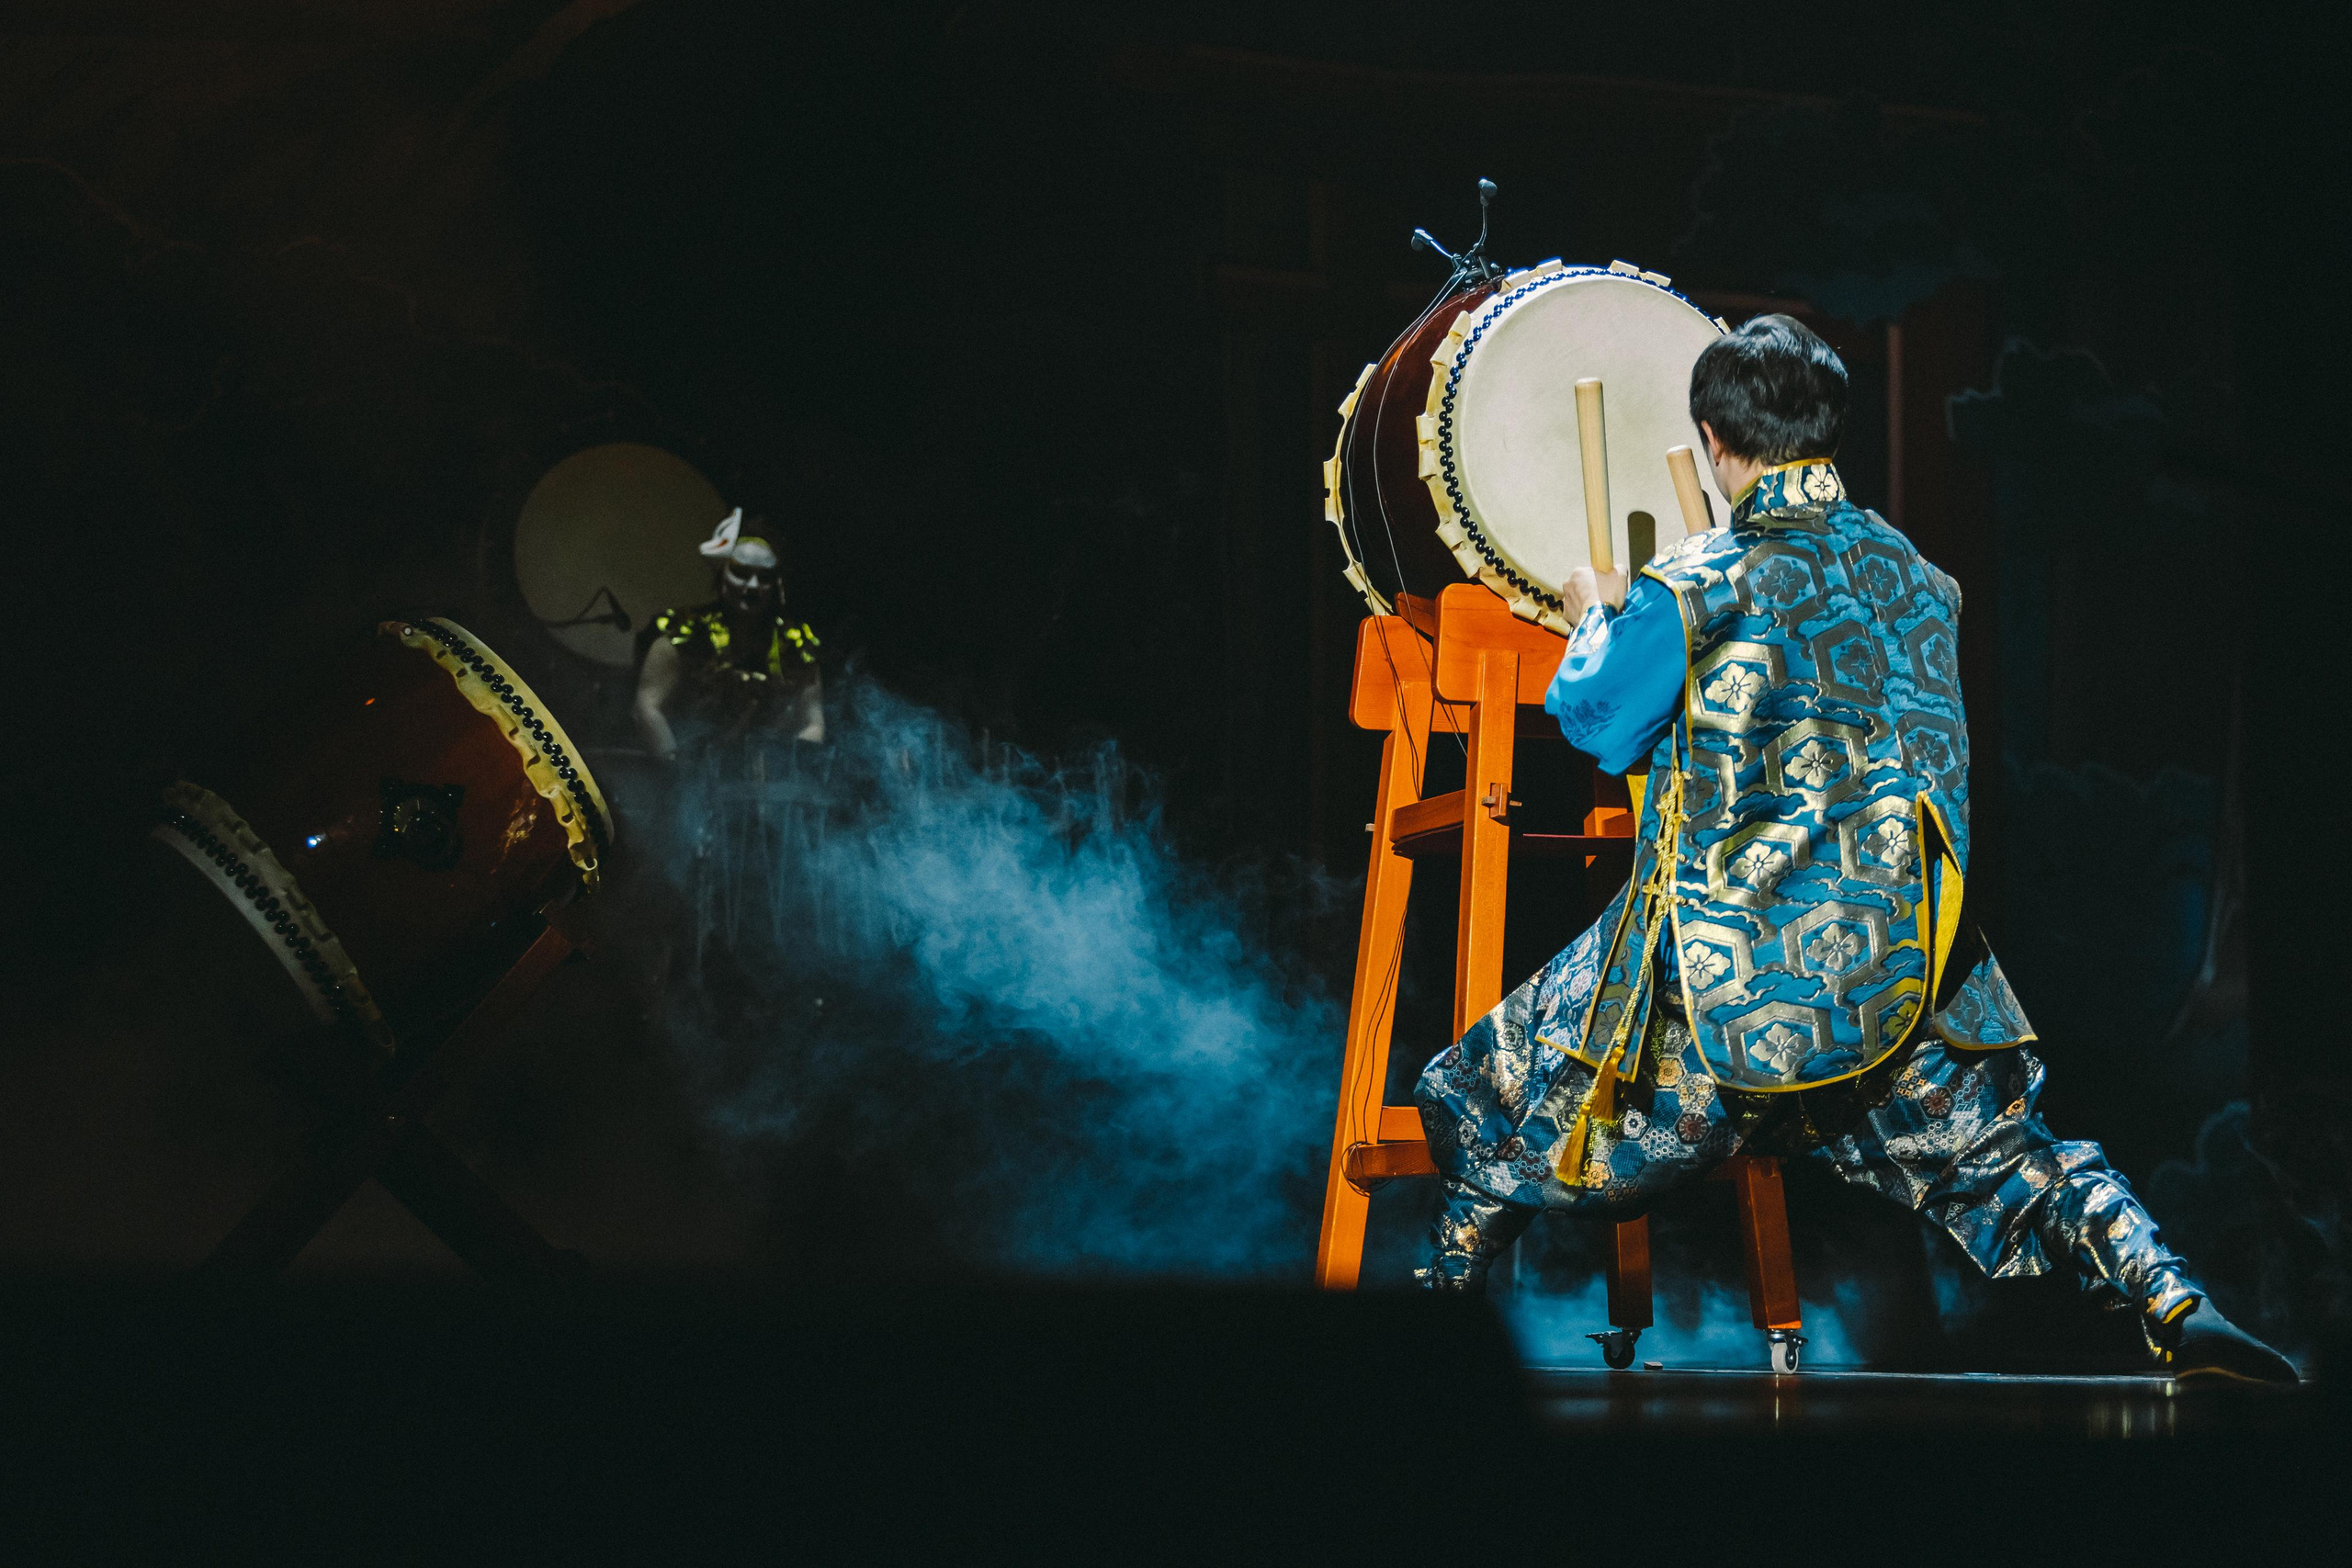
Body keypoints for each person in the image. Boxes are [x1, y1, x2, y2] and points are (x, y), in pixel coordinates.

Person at [1411, 314, 2296, 1382]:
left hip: (1717, 990)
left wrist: (1597, 615)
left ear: (1709, 441)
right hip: (1896, 982)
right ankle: (2177, 1303)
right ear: (1827, 430)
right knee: (2016, 1163)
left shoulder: (1701, 580)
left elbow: (1601, 725)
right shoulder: (1920, 581)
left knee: (1479, 1099)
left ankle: (1435, 1355)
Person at [633, 508, 825, 763]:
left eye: (764, 577)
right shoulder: (686, 635)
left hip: (766, 783)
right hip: (689, 772)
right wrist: (676, 766)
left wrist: (790, 771)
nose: (753, 586)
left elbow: (812, 723)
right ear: (721, 573)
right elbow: (646, 707)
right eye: (742, 573)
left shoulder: (796, 645)